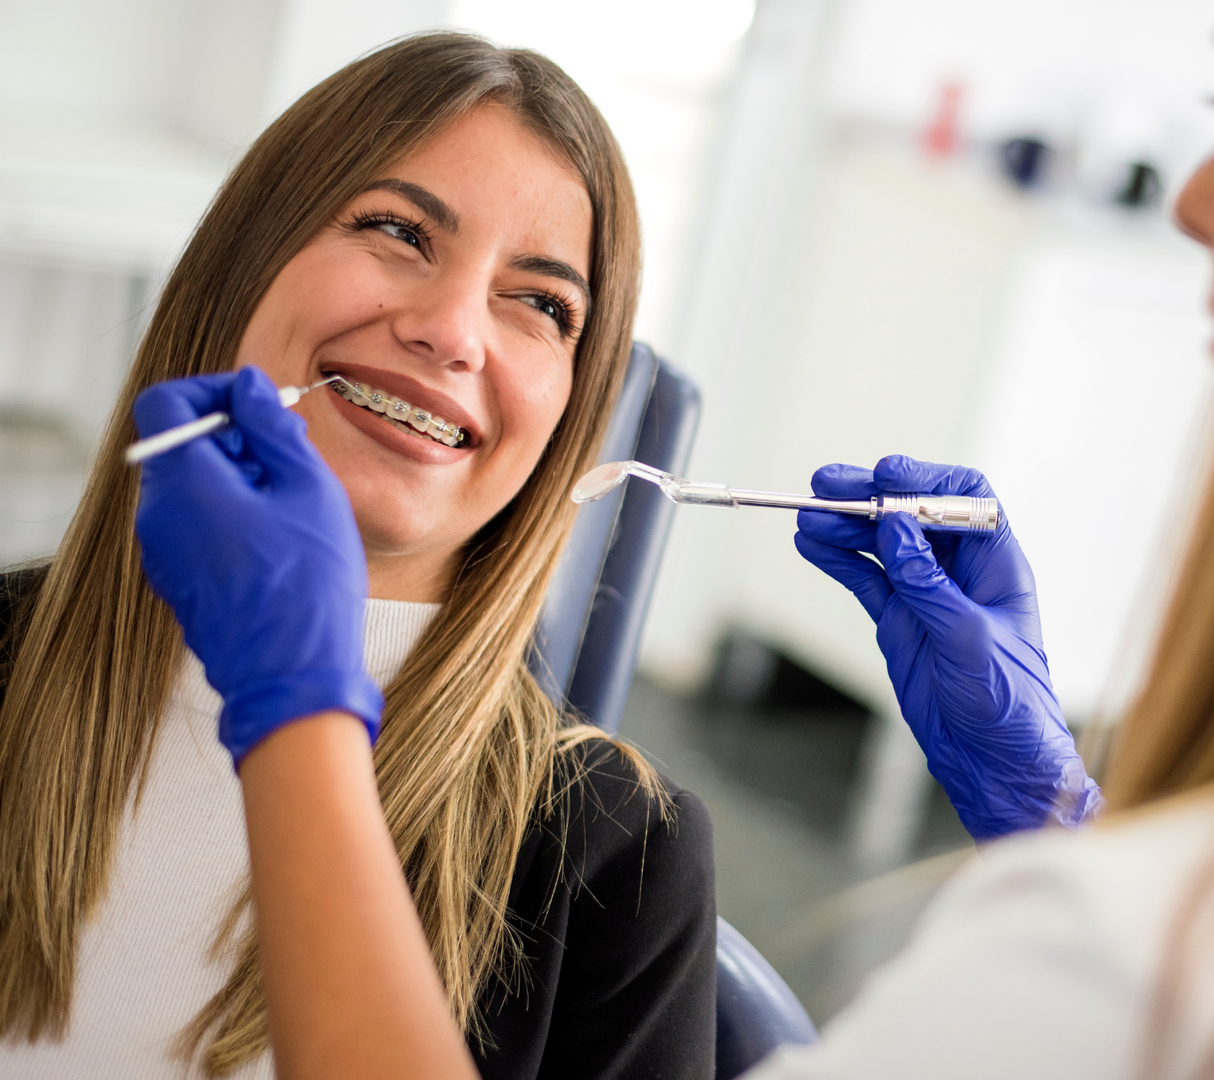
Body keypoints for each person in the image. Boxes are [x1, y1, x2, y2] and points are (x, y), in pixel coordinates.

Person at [91, 0, 1214, 1076]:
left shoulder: (647, 870)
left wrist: (297, 715)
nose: (1195, 197)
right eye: (395, 235)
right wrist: (1068, 832)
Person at [0, 34, 718, 1080]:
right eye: (396, 229)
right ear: (240, 261)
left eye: (541, 303)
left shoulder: (618, 855)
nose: (452, 331)